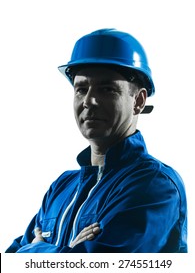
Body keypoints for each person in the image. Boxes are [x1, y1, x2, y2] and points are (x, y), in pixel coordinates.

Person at [6, 28, 187, 253]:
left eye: (107, 89)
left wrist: (36, 249)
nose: (89, 101)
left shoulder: (154, 185)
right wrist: (65, 253)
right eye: (81, 89)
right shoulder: (62, 188)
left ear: (138, 101)